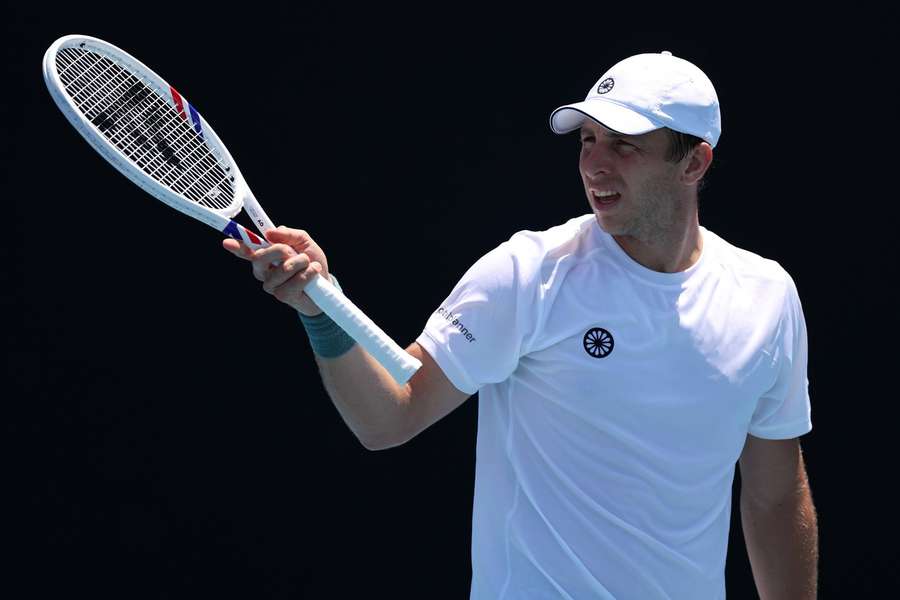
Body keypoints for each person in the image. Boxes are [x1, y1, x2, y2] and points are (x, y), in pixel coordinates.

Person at [223, 51, 818, 599]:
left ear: (694, 161)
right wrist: (321, 314)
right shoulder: (528, 274)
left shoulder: (766, 298)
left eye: (624, 145)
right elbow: (390, 418)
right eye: (588, 140)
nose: (594, 163)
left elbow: (774, 499)